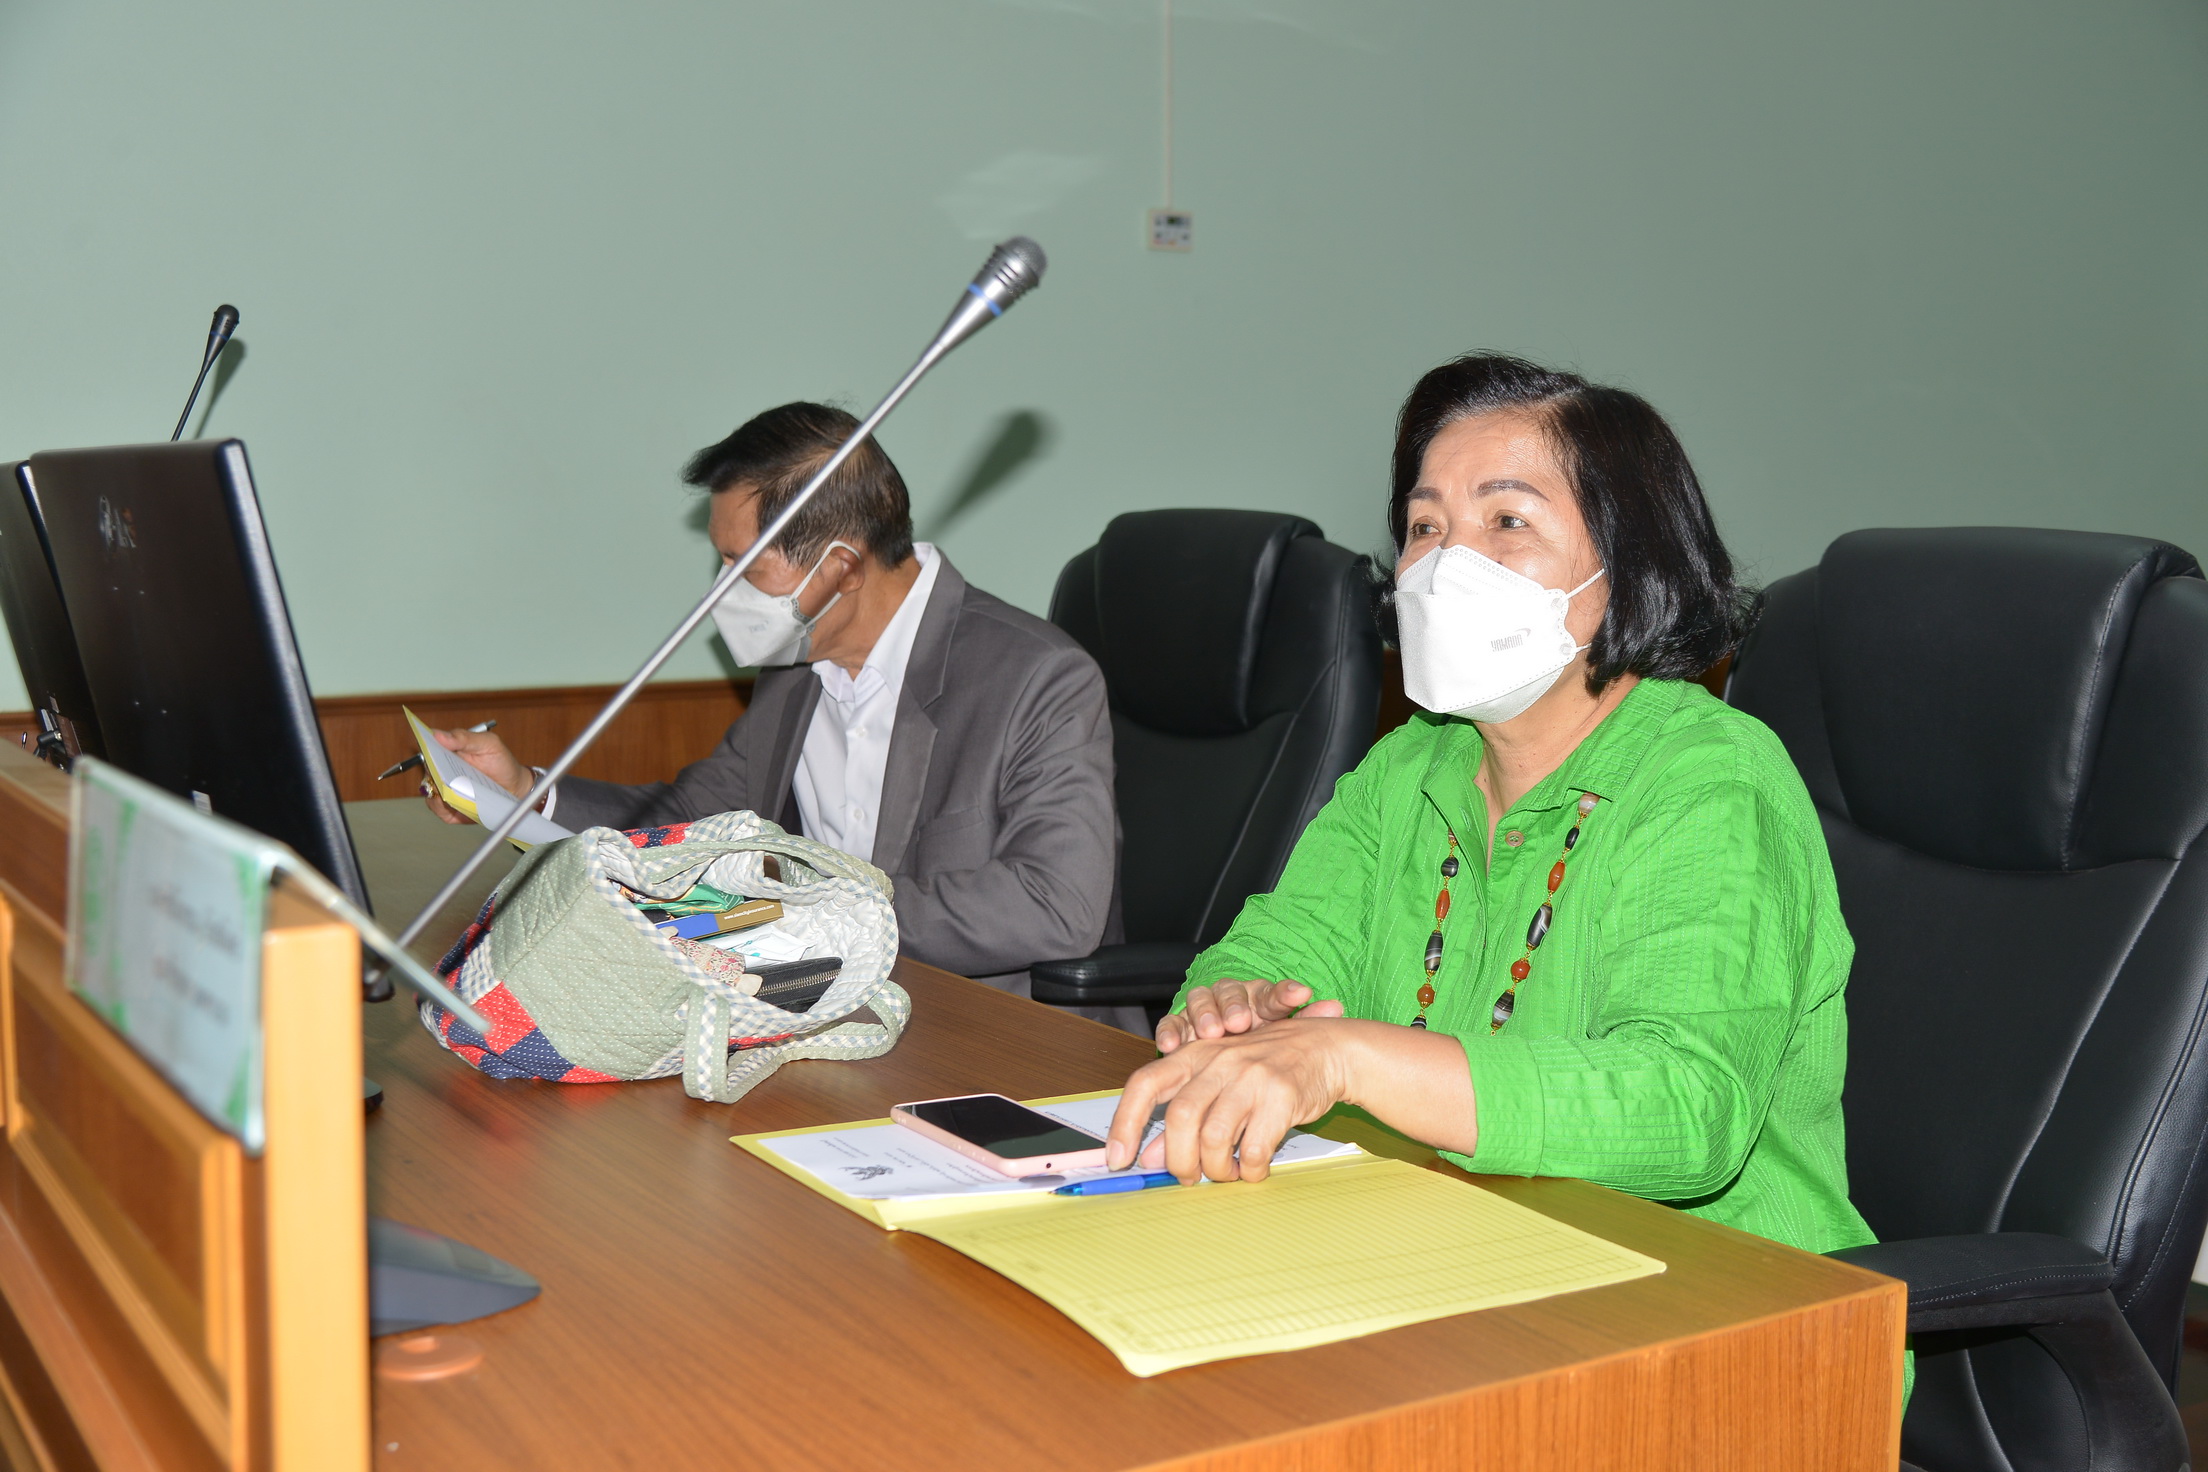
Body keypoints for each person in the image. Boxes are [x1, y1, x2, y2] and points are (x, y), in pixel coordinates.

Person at [1104, 354, 1879, 1266]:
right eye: (1426, 527)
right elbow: (1273, 952)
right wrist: (1233, 1009)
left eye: (1507, 521)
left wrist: (1342, 1059)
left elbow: (1684, 1107)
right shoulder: (1410, 765)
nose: (1447, 564)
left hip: (1719, 1295)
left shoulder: (1713, 779)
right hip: (1440, 1247)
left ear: (1631, 565)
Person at [423, 402, 1125, 1012]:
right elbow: (687, 821)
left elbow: (1055, 905)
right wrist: (526, 791)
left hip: (1001, 1037)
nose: (720, 592)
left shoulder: (1036, 677)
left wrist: (804, 913)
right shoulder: (797, 668)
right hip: (829, 1015)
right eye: (720, 563)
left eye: (745, 568)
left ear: (840, 569)